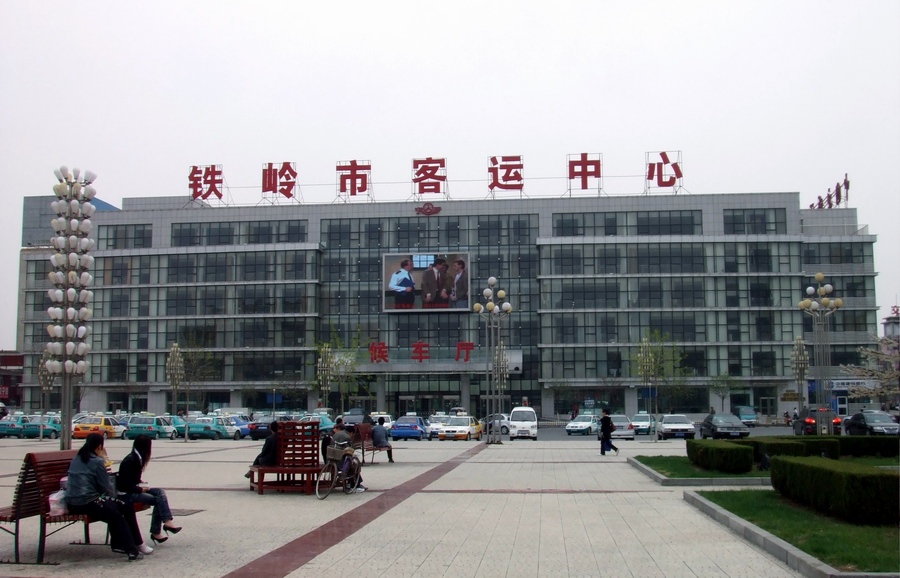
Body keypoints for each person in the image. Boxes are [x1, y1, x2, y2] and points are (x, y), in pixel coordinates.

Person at [66, 433, 148, 561]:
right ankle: (131, 550)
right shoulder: (97, 461)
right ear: (99, 447)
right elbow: (105, 488)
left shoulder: (76, 458)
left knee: (123, 506)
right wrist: (103, 461)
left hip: (72, 503)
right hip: (89, 503)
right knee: (119, 513)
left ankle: (122, 544)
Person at [117, 435, 183, 545]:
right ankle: (159, 529)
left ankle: (165, 524)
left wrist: (142, 484)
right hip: (127, 494)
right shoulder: (131, 460)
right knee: (158, 500)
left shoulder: (137, 458)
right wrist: (140, 489)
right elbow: (124, 484)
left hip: (135, 489)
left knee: (160, 492)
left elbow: (133, 479)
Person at [331, 424, 366, 492]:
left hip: (332, 458)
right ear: (351, 432)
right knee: (354, 465)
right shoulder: (347, 437)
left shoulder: (336, 434)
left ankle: (355, 483)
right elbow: (349, 449)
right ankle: (355, 484)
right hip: (340, 461)